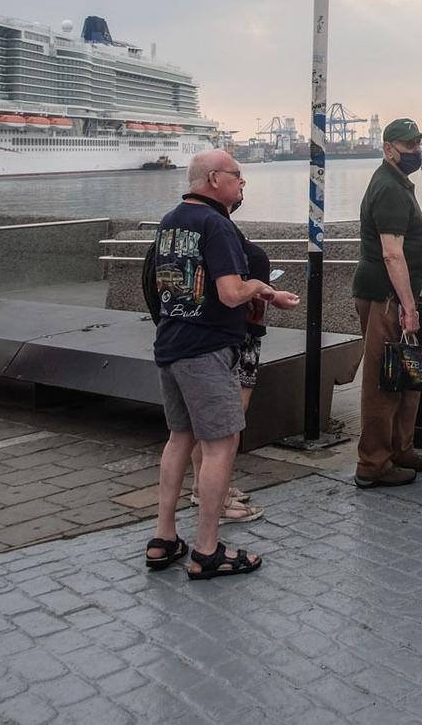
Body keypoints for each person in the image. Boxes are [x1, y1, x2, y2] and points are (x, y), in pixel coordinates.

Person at [141, 150, 298, 579]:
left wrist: (263, 293)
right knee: (220, 445)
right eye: (237, 175)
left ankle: (164, 537)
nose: (242, 182)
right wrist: (262, 287)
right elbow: (230, 293)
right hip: (206, 349)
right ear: (213, 179)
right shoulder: (218, 225)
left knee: (179, 440)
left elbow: (163, 284)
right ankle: (207, 550)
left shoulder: (170, 220)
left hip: (171, 343)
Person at [352, 118, 422, 488]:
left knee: (406, 373)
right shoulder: (389, 188)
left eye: (419, 145)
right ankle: (373, 463)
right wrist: (408, 306)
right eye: (410, 146)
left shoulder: (399, 185)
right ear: (388, 149)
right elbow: (392, 254)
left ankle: (401, 448)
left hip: (395, 294)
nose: (417, 152)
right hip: (385, 295)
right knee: (383, 382)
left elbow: (421, 219)